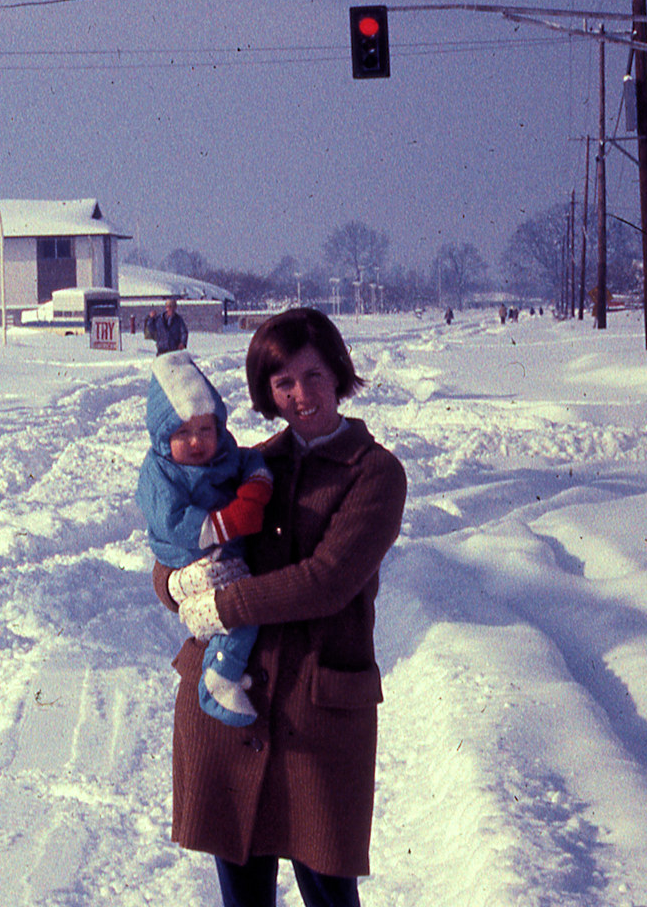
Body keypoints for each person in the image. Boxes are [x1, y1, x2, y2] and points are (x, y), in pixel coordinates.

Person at [153, 307, 406, 907]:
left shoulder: (375, 474)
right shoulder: (244, 464)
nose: (301, 395)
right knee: (241, 895)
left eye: (313, 375)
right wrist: (174, 587)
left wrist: (221, 603)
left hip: (316, 714)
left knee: (328, 891)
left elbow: (326, 581)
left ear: (339, 374)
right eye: (283, 382)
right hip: (229, 706)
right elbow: (174, 545)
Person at [137, 351, 274, 726]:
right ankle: (219, 678)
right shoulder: (160, 472)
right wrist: (227, 521)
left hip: (224, 549)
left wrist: (257, 486)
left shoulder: (224, 451)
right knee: (237, 610)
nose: (196, 442)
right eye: (182, 433)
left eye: (205, 430)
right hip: (190, 554)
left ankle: (226, 661)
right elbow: (172, 521)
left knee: (235, 606)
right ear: (163, 437)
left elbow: (249, 460)